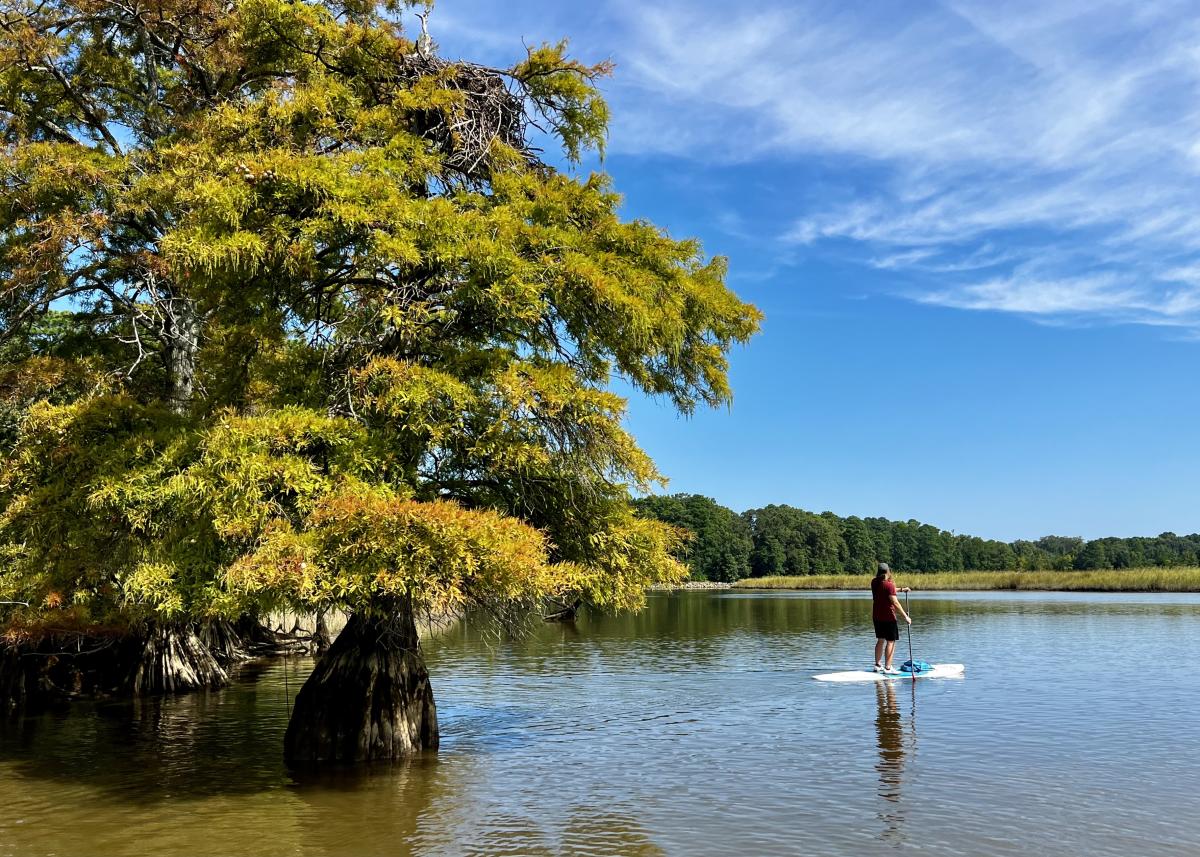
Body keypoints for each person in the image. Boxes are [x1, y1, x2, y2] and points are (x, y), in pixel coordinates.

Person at [871, 563, 911, 673]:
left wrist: (902, 589)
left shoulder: (874, 582)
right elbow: (895, 602)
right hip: (888, 617)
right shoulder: (888, 584)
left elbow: (889, 590)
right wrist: (906, 617)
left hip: (877, 616)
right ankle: (888, 668)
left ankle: (877, 665)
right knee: (891, 642)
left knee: (880, 640)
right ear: (888, 571)